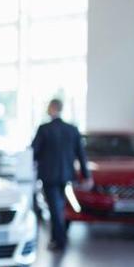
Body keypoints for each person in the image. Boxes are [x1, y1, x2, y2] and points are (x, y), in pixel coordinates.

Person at [31, 98, 91, 251]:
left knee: (55, 207)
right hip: (66, 175)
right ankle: (57, 237)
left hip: (48, 175)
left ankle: (60, 239)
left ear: (52, 108)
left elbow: (34, 151)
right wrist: (87, 175)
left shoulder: (44, 129)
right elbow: (81, 155)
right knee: (59, 206)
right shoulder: (72, 129)